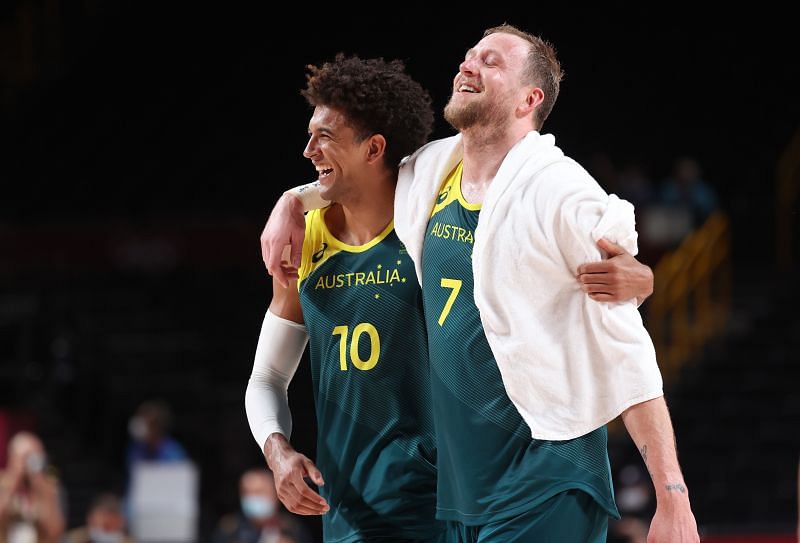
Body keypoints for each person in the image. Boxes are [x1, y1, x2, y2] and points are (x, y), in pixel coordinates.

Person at [259, 24, 698, 542]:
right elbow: (357, 174)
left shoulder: (560, 191)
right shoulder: (428, 173)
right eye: (468, 56)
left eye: (491, 61)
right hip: (465, 496)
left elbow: (625, 349)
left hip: (546, 477)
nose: (468, 65)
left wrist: (672, 497)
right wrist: (293, 200)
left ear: (528, 99)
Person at [245, 53, 447, 542]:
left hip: (442, 497)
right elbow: (267, 377)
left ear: (374, 148)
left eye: (325, 137)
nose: (308, 149)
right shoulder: (306, 238)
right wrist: (279, 451)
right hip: (348, 505)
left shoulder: (432, 224)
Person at [211, 469, 312, 543]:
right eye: (247, 492)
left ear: (276, 494)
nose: (253, 497)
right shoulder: (229, 528)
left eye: (260, 492)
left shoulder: (292, 527)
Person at [0, 432, 65, 543]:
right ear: (12, 457)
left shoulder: (50, 487)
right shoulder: (3, 482)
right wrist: (15, 478)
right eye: (25, 457)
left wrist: (39, 483)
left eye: (35, 456)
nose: (30, 462)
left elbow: (55, 532)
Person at [63, 493, 134, 543]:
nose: (102, 530)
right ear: (89, 519)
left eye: (108, 527)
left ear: (120, 521)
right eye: (96, 525)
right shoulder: (76, 539)